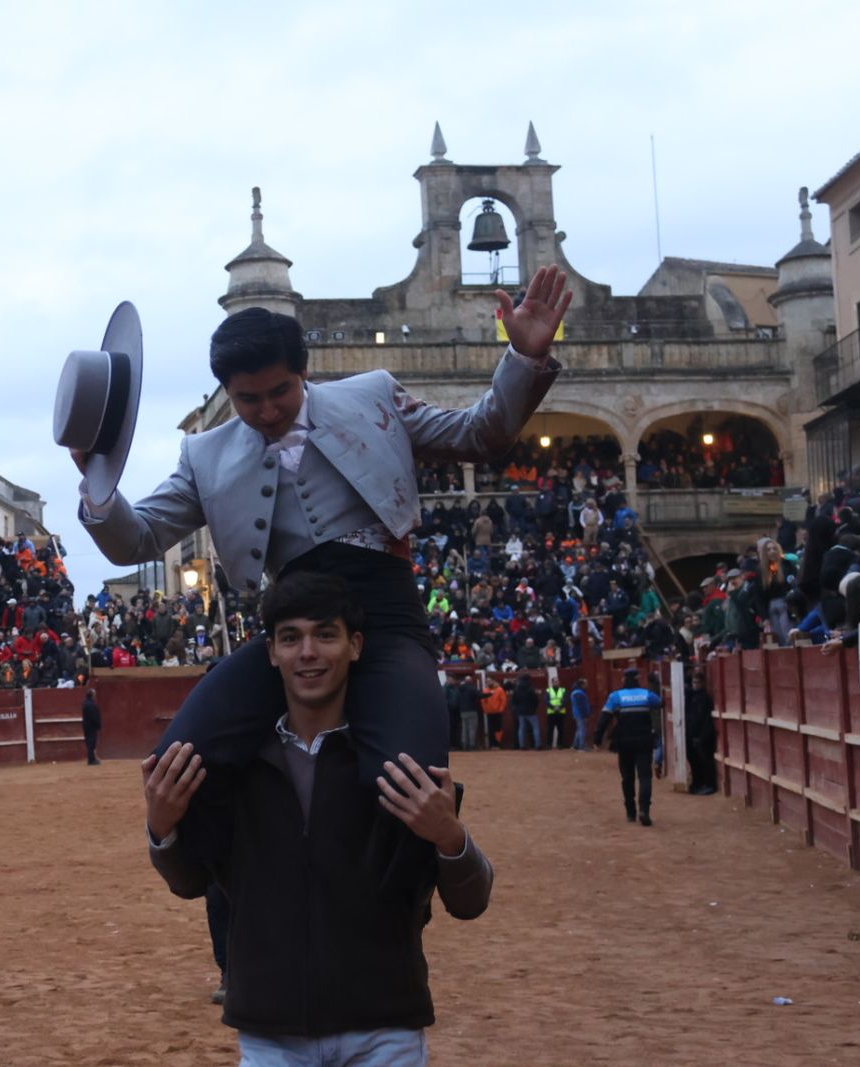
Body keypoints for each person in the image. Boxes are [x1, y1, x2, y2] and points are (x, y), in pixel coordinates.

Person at [77, 268, 568, 859]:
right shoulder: (205, 454)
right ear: (226, 393)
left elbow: (478, 434)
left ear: (303, 372)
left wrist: (521, 358)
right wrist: (98, 486)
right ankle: (234, 902)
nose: (264, 411)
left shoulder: (373, 396)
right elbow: (140, 538)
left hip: (384, 618)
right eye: (246, 399)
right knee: (182, 759)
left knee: (412, 775)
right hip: (290, 628)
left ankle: (398, 911)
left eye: (279, 391)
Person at [143, 572, 492, 1064]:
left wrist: (450, 837)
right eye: (291, 638)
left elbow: (471, 900)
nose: (308, 652)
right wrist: (162, 830)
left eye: (325, 634)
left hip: (384, 1030)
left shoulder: (396, 766)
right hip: (271, 1033)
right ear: (271, 653)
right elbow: (190, 881)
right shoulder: (237, 768)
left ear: (356, 645)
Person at [593, 667, 662, 826]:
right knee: (645, 777)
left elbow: (605, 718)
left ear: (624, 680)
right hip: (644, 740)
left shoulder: (616, 696)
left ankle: (631, 812)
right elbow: (660, 704)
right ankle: (644, 809)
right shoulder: (647, 695)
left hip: (624, 741)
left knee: (627, 777)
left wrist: (598, 738)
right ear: (638, 679)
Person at [685, 668, 718, 795]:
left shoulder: (705, 698)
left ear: (703, 683)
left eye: (697, 682)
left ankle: (708, 785)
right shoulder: (693, 697)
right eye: (694, 682)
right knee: (695, 761)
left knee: (704, 761)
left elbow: (706, 720)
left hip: (702, 736)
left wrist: (701, 737)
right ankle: (698, 784)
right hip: (693, 735)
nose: (695, 685)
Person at [510, 674, 540, 750]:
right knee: (535, 728)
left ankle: (522, 745)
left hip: (520, 711)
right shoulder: (530, 688)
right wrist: (534, 708)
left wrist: (517, 709)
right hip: (531, 711)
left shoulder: (517, 689)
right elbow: (536, 700)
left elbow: (514, 700)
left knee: (521, 728)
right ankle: (537, 745)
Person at [569, 678, 592, 752]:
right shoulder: (579, 693)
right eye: (585, 684)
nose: (587, 685)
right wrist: (585, 715)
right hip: (580, 714)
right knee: (582, 729)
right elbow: (582, 706)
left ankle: (575, 745)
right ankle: (581, 746)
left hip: (577, 713)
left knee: (579, 729)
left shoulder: (575, 692)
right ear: (582, 685)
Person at [81, 686, 102, 765]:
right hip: (91, 727)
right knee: (91, 743)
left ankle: (92, 759)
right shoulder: (90, 704)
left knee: (90, 743)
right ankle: (91, 760)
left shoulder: (86, 703)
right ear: (92, 695)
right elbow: (93, 716)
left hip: (87, 726)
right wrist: (98, 724)